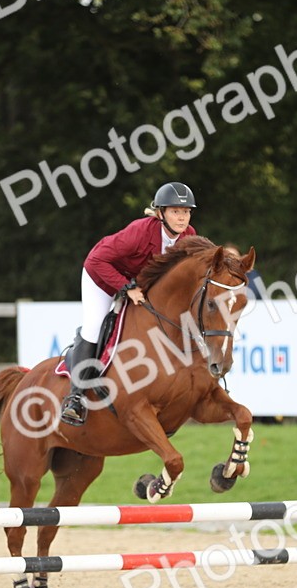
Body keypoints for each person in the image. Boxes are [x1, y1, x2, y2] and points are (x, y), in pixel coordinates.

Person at [59, 181, 198, 426]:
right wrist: (126, 287)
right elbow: (97, 260)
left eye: (186, 211)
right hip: (100, 277)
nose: (182, 217)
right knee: (94, 327)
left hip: (139, 285)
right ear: (161, 213)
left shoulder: (189, 237)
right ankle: (75, 398)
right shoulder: (140, 231)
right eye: (175, 211)